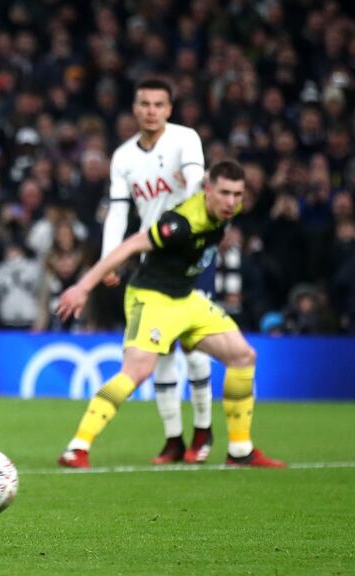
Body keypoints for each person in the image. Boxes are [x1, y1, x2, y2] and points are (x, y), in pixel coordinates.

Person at [56, 160, 285, 469]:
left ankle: (240, 451)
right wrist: (83, 287)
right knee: (137, 371)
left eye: (237, 194)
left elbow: (204, 177)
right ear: (208, 191)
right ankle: (77, 448)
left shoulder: (224, 206)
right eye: (225, 193)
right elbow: (130, 246)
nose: (231, 201)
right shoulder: (180, 223)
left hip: (186, 298)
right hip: (152, 298)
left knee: (243, 356)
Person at [103, 78, 215, 464]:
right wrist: (109, 259)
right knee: (161, 351)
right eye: (144, 103)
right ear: (135, 109)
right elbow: (119, 212)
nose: (151, 110)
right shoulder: (123, 158)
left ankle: (204, 430)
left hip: (193, 255)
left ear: (170, 108)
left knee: (195, 346)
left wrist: (194, 188)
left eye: (158, 104)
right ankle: (173, 440)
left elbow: (198, 186)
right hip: (154, 261)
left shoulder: (185, 139)